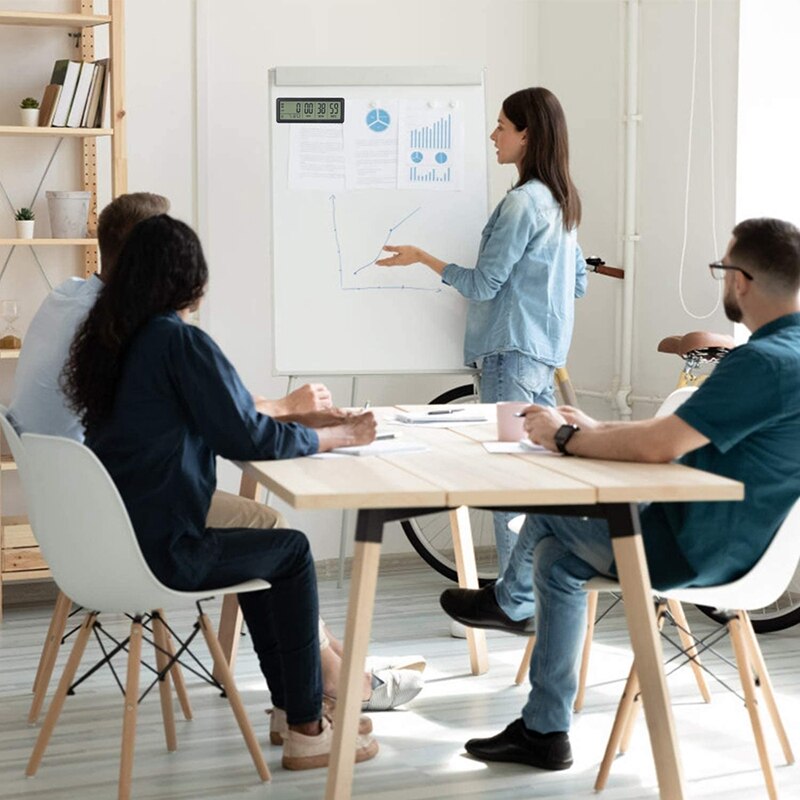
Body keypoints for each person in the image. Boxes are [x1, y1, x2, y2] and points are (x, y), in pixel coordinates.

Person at [9, 193, 423, 725]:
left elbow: (216, 418)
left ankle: (298, 702)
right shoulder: (175, 341)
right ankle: (306, 721)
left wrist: (286, 421)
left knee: (267, 548)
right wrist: (338, 436)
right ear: (191, 282)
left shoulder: (104, 333)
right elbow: (244, 437)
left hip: (102, 531)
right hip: (158, 548)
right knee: (289, 551)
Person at [440, 217, 800, 771]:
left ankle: (510, 606)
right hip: (747, 548)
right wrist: (593, 429)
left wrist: (564, 437)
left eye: (721, 269)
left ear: (741, 280)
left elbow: (661, 446)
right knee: (557, 562)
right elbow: (676, 440)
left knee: (548, 511)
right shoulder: (790, 355)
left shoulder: (760, 363)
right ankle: (544, 730)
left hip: (695, 550)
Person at [376, 87, 587, 575]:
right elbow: (576, 283)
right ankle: (542, 592)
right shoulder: (562, 202)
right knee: (541, 480)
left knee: (507, 481)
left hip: (510, 357)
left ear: (527, 135)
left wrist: (423, 258)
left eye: (501, 127)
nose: (493, 136)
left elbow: (484, 284)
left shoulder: (521, 205)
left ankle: (514, 602)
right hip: (543, 355)